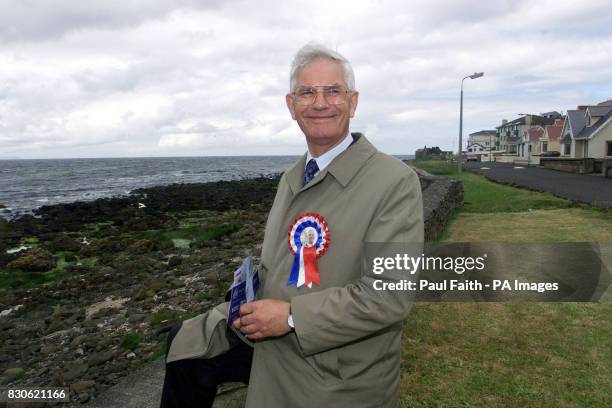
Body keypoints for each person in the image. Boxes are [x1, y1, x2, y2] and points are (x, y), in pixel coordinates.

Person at [161, 42, 423, 408]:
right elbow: (283, 265)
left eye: (333, 91)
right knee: (183, 344)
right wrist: (244, 298)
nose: (320, 102)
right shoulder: (291, 178)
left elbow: (389, 295)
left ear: (353, 101)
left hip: (333, 368)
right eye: (307, 92)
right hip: (272, 340)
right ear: (291, 105)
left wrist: (289, 316)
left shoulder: (394, 181)